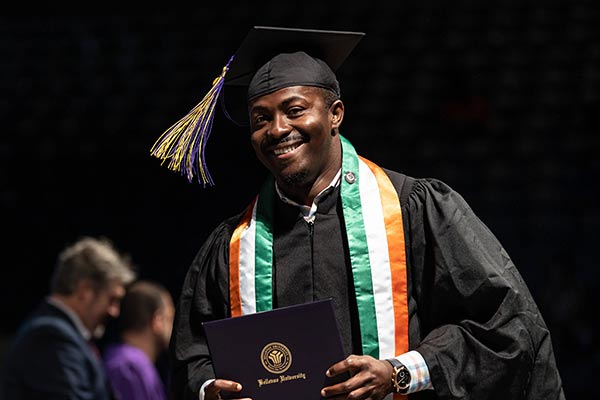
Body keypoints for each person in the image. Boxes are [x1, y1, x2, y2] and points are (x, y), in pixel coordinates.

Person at [156, 27, 565, 400]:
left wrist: (399, 372)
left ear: (335, 114)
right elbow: (191, 359)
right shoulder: (231, 247)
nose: (277, 129)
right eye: (261, 119)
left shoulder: (414, 210)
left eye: (294, 109)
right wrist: (211, 390)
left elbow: (508, 327)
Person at [1, 236, 137, 400]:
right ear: (84, 290)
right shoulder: (50, 337)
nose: (114, 311)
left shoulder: (64, 336)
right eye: (112, 300)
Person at [103, 280, 175, 400]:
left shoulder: (132, 362)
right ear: (158, 321)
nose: (175, 328)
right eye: (171, 318)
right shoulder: (130, 366)